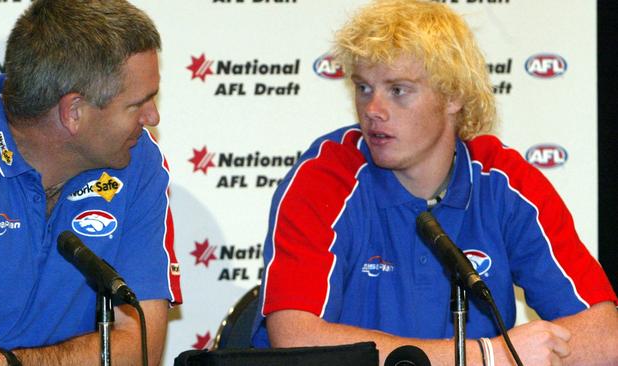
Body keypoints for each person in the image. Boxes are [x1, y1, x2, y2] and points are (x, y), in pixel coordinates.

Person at [251, 0, 618, 365]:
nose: (373, 109)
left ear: (453, 96)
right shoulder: (324, 178)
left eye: (398, 90)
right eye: (364, 88)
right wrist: (489, 358)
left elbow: (605, 338)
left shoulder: (504, 182)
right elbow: (294, 337)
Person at [0, 0, 181, 365]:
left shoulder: (138, 161)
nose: (153, 116)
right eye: (138, 104)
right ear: (74, 112)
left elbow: (138, 344)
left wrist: (8, 364)